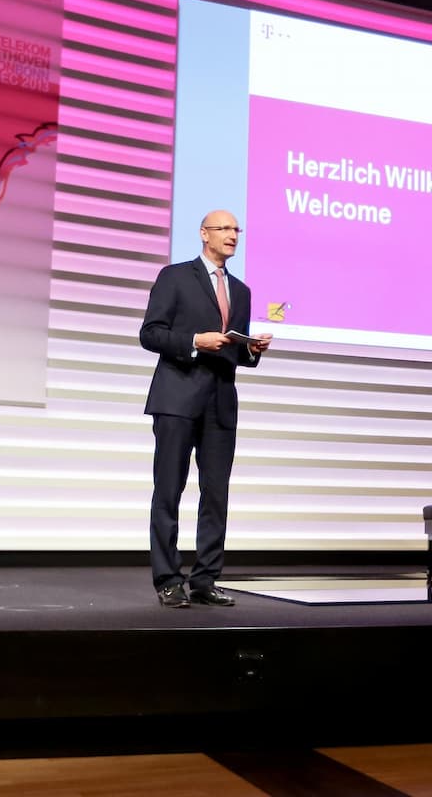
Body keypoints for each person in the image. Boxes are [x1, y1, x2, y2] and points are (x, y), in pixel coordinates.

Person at [139, 210, 272, 608]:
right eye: (225, 229)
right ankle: (167, 578)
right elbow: (150, 333)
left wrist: (251, 349)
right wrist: (195, 340)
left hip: (220, 403)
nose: (233, 235)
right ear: (204, 234)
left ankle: (205, 578)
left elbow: (238, 356)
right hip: (177, 398)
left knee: (216, 495)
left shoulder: (242, 291)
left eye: (237, 230)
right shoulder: (175, 277)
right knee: (169, 490)